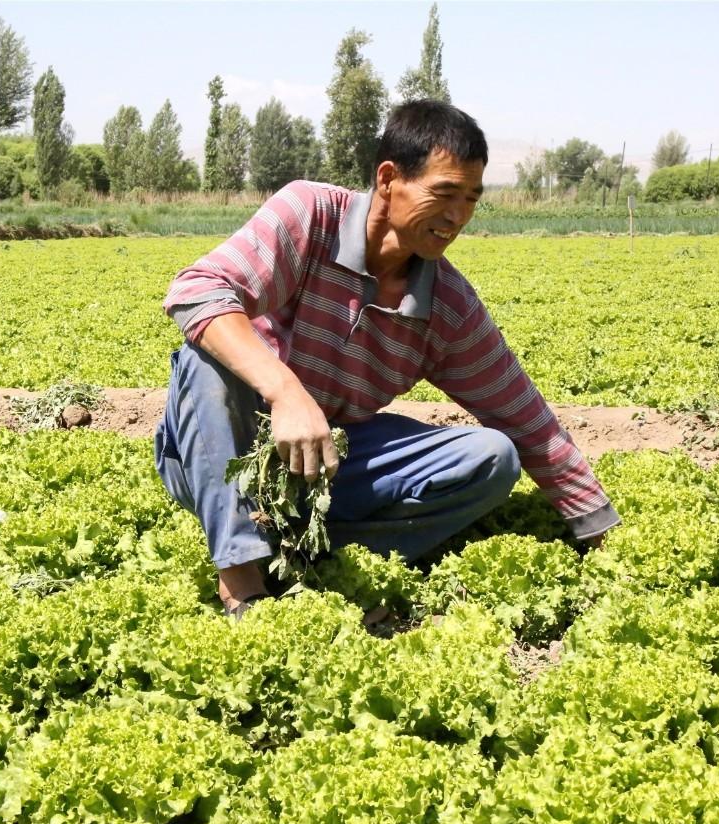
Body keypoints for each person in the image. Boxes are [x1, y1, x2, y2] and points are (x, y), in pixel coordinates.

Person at [156, 100, 620, 618]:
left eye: (471, 199)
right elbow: (197, 291)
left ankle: (313, 557)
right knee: (204, 358)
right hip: (228, 454)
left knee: (494, 456)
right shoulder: (311, 215)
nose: (457, 216)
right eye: (443, 194)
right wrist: (285, 391)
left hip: (326, 464)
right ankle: (242, 578)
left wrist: (603, 534)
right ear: (388, 179)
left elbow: (528, 421)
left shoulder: (445, 306)